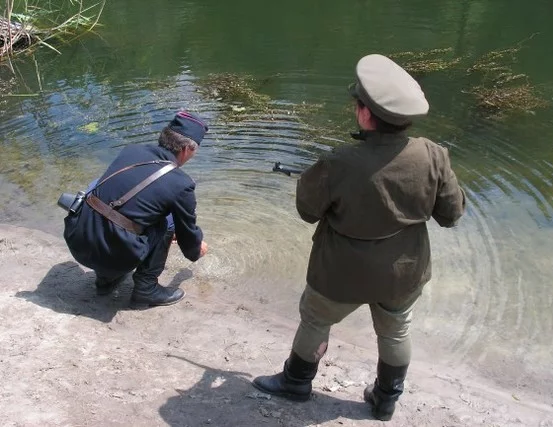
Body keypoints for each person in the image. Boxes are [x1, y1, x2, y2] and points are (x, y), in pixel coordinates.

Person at [252, 54, 466, 421]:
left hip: (339, 272)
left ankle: (296, 383)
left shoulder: (338, 161)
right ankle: (385, 401)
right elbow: (451, 214)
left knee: (316, 321)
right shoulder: (434, 155)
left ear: (365, 114)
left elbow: (308, 212)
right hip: (404, 272)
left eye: (358, 104)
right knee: (396, 331)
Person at [63, 111, 209, 309]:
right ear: (186, 149)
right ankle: (146, 289)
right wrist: (196, 247)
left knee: (99, 188)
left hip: (77, 240)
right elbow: (187, 237)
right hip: (110, 256)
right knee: (170, 221)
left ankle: (105, 279)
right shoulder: (181, 184)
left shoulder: (131, 151)